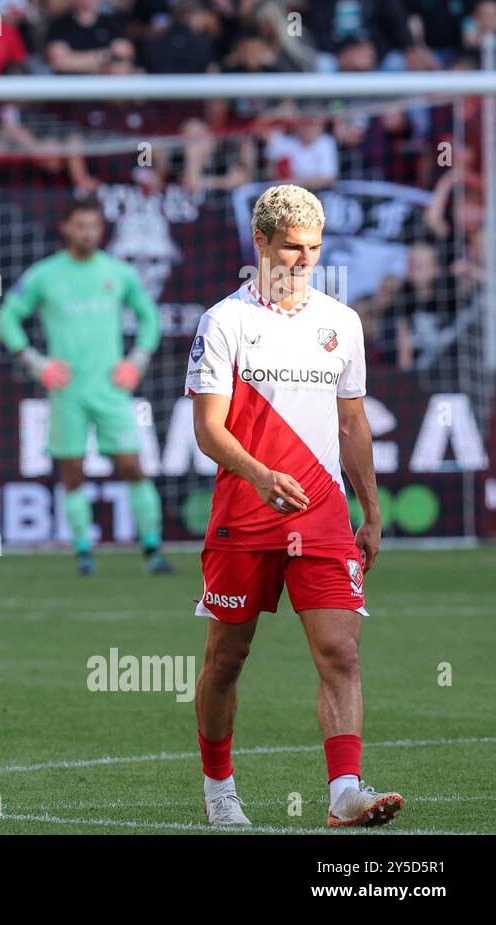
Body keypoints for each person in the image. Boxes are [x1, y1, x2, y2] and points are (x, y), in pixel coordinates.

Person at [185, 184, 402, 828]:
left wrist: (370, 508)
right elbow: (207, 429)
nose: (303, 260)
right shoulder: (225, 321)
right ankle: (219, 788)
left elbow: (353, 424)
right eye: (290, 248)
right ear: (260, 244)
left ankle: (345, 793)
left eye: (313, 247)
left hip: (323, 512)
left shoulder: (341, 322)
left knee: (341, 653)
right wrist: (257, 473)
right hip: (246, 509)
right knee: (227, 657)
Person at [0, 198, 173, 577]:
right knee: (72, 472)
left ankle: (152, 549)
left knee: (132, 465)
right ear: (66, 228)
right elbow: (7, 316)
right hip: (67, 391)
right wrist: (35, 362)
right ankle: (83, 552)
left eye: (94, 226)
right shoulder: (44, 275)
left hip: (110, 389)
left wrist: (137, 360)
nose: (88, 233)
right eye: (81, 226)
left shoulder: (118, 273)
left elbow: (149, 317)